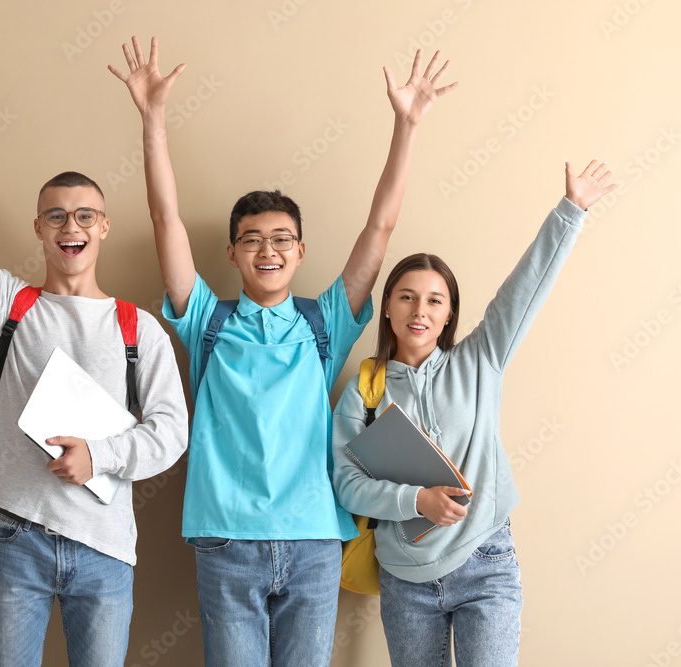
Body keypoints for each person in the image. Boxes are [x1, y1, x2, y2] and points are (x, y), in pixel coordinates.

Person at [110, 37, 456, 666]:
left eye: (281, 239)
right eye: (251, 240)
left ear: (299, 251)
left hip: (315, 541)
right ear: (232, 254)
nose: (267, 251)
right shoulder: (205, 323)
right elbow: (167, 220)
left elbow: (379, 228)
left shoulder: (324, 325)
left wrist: (406, 127)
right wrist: (152, 120)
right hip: (226, 543)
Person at [0, 68, 189, 667]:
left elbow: (171, 431)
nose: (72, 227)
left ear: (105, 227)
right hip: (17, 540)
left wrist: (101, 455)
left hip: (107, 550)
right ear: (39, 228)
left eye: (86, 215)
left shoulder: (137, 327)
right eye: (57, 216)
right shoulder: (7, 308)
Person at [332, 160, 617, 665]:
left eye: (435, 300)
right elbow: (346, 485)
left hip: (486, 562)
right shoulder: (364, 392)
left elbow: (525, 290)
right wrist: (416, 500)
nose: (420, 310)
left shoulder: (480, 360)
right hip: (405, 580)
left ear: (448, 315)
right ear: (390, 309)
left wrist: (570, 211)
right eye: (407, 297)